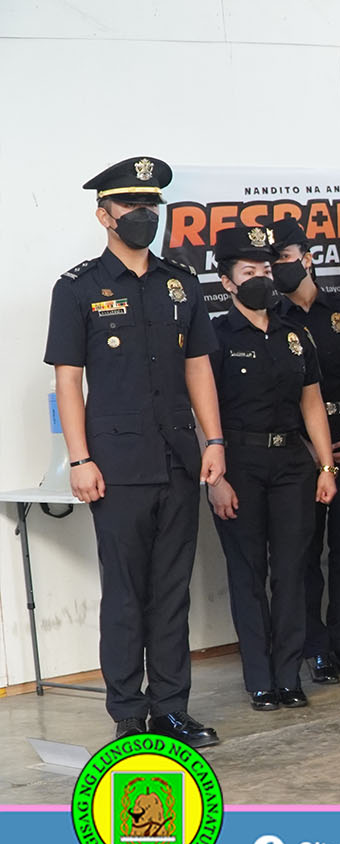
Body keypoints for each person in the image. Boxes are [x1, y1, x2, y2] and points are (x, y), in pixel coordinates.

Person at [46, 156, 225, 746]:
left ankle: (171, 708)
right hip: (116, 465)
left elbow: (198, 366)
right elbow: (68, 380)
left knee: (171, 592)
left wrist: (214, 441)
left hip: (177, 457)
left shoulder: (181, 281)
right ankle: (128, 712)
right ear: (105, 215)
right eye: (132, 207)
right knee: (126, 593)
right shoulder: (78, 287)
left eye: (153, 206)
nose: (145, 216)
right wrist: (79, 458)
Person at [205, 225, 339, 710]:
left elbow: (312, 404)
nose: (260, 277)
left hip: (291, 465)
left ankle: (289, 676)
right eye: (248, 271)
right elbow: (204, 411)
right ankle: (259, 679)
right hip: (237, 464)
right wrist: (215, 480)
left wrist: (326, 467)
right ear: (227, 282)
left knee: (292, 571)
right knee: (247, 574)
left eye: (265, 268)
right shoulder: (214, 336)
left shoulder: (294, 333)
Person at [272, 217, 340, 686]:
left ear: (308, 259)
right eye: (272, 263)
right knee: (305, 553)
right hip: (303, 456)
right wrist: (310, 452)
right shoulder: (275, 321)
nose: (280, 268)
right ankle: (315, 649)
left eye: (287, 259)